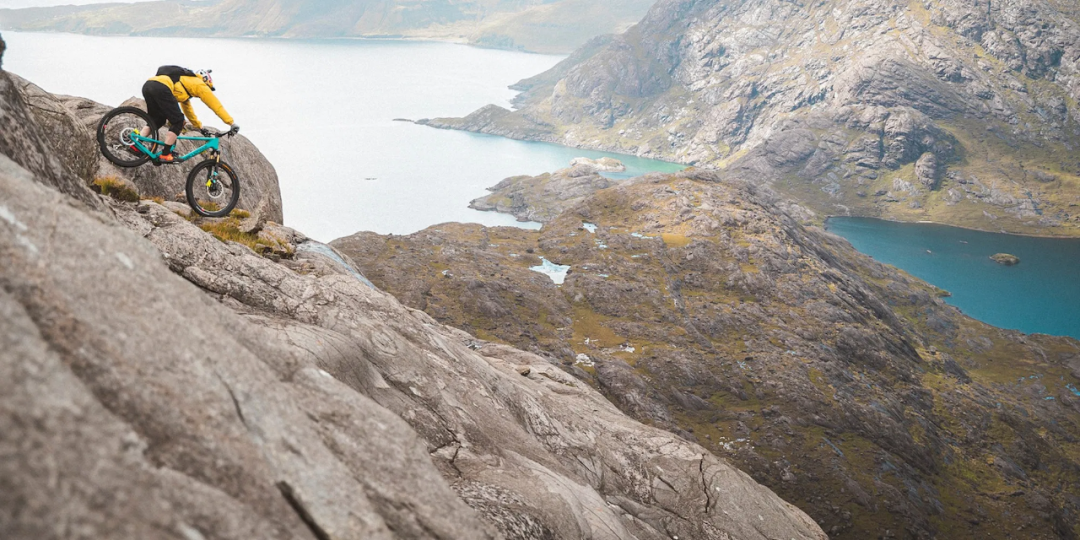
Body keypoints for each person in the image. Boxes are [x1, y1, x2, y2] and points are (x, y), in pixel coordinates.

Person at [140, 66, 239, 163]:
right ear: (207, 82)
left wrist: (199, 127)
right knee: (178, 121)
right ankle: (165, 154)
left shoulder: (186, 82)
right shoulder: (200, 85)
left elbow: (188, 110)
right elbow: (215, 105)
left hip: (148, 86)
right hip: (161, 87)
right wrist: (231, 123)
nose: (208, 90)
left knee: (158, 120)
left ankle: (136, 143)